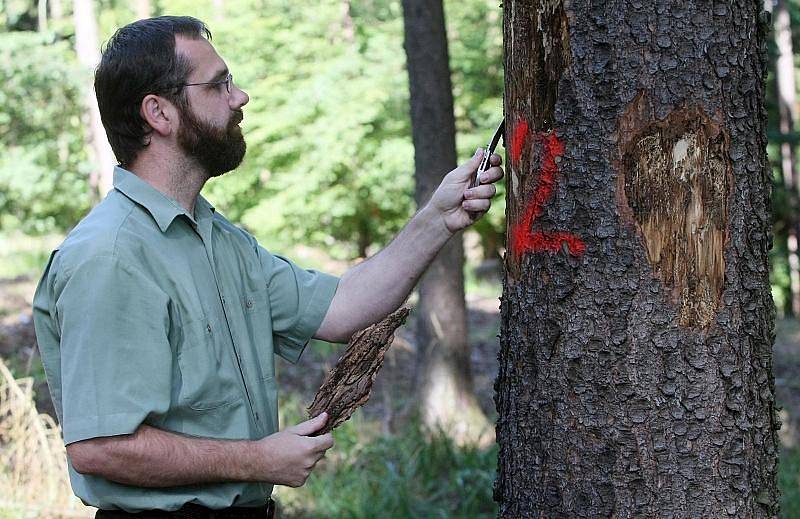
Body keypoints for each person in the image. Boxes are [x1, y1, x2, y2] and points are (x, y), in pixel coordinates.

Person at [32, 15, 503, 517]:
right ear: (159, 114)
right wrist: (258, 459)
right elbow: (102, 448)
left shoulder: (220, 240)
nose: (240, 98)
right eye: (218, 85)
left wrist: (438, 218)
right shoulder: (110, 256)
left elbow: (342, 307)